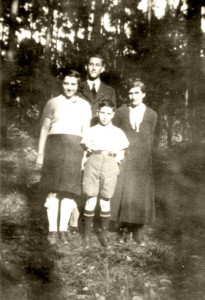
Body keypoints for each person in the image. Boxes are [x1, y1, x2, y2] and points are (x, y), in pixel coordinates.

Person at [36, 70, 91, 245]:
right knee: (53, 190)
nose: (69, 87)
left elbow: (86, 132)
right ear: (62, 84)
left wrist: (85, 156)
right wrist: (40, 153)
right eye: (66, 83)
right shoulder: (52, 102)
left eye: (73, 84)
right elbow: (44, 129)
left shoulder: (84, 105)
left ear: (78, 86)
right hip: (54, 148)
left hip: (75, 149)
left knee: (69, 191)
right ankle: (52, 231)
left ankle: (63, 230)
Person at [69, 53, 117, 230]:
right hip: (79, 135)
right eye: (91, 64)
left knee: (96, 176)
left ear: (102, 68)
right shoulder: (77, 87)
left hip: (99, 140)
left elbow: (112, 116)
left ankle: (94, 220)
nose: (94, 68)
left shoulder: (109, 91)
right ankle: (75, 215)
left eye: (98, 65)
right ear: (86, 67)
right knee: (78, 174)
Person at [111, 78, 157, 246]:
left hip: (143, 159)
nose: (133, 96)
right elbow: (115, 134)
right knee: (124, 191)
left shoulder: (151, 114)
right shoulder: (121, 112)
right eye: (130, 93)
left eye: (137, 93)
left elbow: (150, 138)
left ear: (143, 94)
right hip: (125, 157)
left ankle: (137, 229)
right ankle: (123, 228)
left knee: (140, 193)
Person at [81, 100, 129, 248]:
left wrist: (117, 163)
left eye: (108, 113)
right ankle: (87, 236)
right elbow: (85, 150)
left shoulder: (118, 132)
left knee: (105, 200)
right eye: (102, 113)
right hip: (93, 162)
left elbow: (122, 151)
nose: (105, 116)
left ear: (113, 114)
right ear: (98, 113)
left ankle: (103, 235)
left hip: (110, 163)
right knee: (91, 198)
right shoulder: (91, 130)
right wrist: (84, 163)